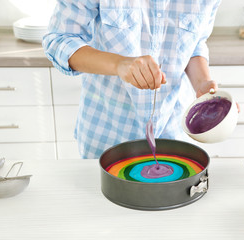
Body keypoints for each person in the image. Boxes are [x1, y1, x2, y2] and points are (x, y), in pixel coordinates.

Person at [43, 0, 222, 159]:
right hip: (107, 135)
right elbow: (60, 40)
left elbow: (195, 43)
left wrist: (202, 83)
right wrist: (119, 64)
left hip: (174, 133)